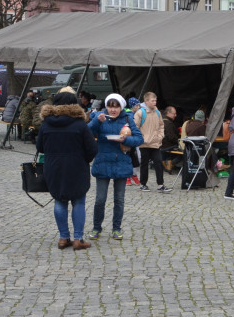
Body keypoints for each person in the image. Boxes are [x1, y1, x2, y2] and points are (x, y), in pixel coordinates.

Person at [37, 91, 98, 250]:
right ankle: (78, 239)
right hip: (76, 166)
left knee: (59, 200)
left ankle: (63, 237)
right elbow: (92, 148)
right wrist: (85, 160)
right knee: (78, 201)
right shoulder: (80, 124)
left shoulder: (46, 123)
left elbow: (40, 147)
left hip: (54, 166)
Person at [87, 93, 142, 241]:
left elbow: (139, 138)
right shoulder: (99, 116)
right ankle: (96, 227)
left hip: (121, 162)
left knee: (119, 199)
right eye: (110, 106)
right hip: (103, 161)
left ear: (121, 107)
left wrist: (126, 139)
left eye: (116, 106)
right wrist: (97, 122)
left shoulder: (127, 118)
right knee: (100, 199)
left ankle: (116, 228)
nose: (113, 109)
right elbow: (86, 133)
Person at [135, 92, 169, 192]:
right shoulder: (140, 113)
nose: (155, 102)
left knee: (158, 162)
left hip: (155, 142)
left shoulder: (157, 112)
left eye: (155, 100)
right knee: (144, 164)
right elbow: (135, 127)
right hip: (144, 143)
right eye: (152, 100)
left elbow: (161, 125)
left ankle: (160, 184)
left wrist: (160, 136)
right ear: (146, 101)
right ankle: (143, 184)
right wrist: (141, 138)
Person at [161, 105, 179, 172]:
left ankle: (166, 162)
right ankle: (170, 164)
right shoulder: (168, 123)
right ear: (168, 113)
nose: (175, 115)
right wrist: (179, 141)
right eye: (174, 113)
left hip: (160, 145)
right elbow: (171, 137)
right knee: (184, 151)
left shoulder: (161, 120)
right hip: (166, 146)